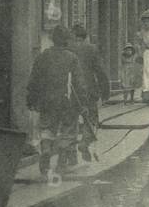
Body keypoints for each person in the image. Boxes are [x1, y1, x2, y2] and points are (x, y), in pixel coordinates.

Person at [27, 25, 85, 180]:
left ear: (53, 39)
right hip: (66, 101)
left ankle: (46, 151)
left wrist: (31, 99)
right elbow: (79, 83)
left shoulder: (42, 56)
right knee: (67, 130)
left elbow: (33, 80)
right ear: (66, 40)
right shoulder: (71, 57)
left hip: (46, 100)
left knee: (46, 128)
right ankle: (61, 162)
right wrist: (82, 102)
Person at [72, 24, 110, 162]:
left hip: (71, 91)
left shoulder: (68, 48)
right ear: (85, 37)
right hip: (89, 90)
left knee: (72, 120)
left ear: (73, 36)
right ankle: (84, 142)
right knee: (91, 119)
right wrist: (105, 91)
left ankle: (71, 157)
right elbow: (100, 72)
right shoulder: (91, 49)